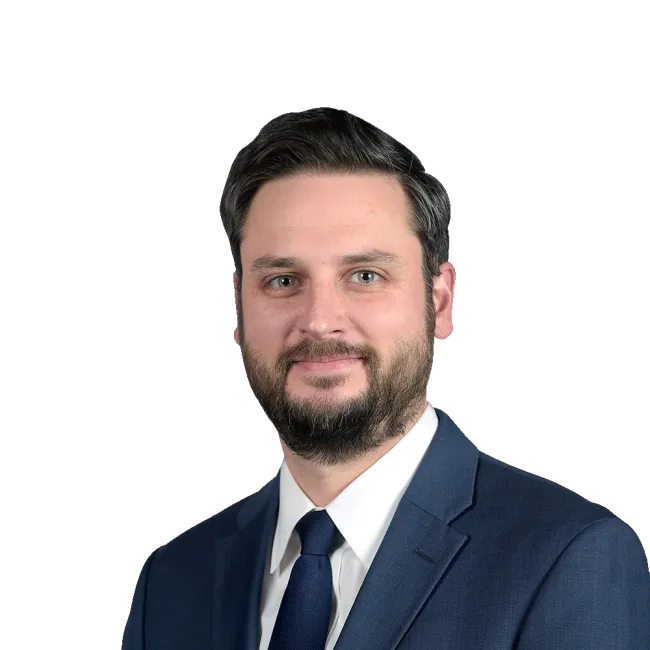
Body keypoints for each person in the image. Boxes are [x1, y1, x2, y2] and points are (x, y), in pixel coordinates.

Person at [121, 109, 649, 649]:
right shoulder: (174, 579)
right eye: (282, 280)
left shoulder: (568, 559)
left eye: (365, 275)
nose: (319, 320)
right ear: (238, 309)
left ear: (439, 302)